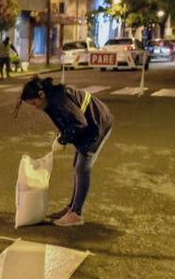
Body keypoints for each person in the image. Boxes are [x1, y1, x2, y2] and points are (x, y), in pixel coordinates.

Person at [14, 76, 113, 227]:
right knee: (76, 164)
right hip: (90, 124)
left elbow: (79, 123)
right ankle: (71, 208)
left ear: (41, 94)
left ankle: (76, 214)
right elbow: (63, 119)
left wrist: (63, 139)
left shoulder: (59, 99)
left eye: (34, 102)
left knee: (82, 167)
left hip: (98, 124)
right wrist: (61, 134)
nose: (34, 106)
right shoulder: (48, 101)